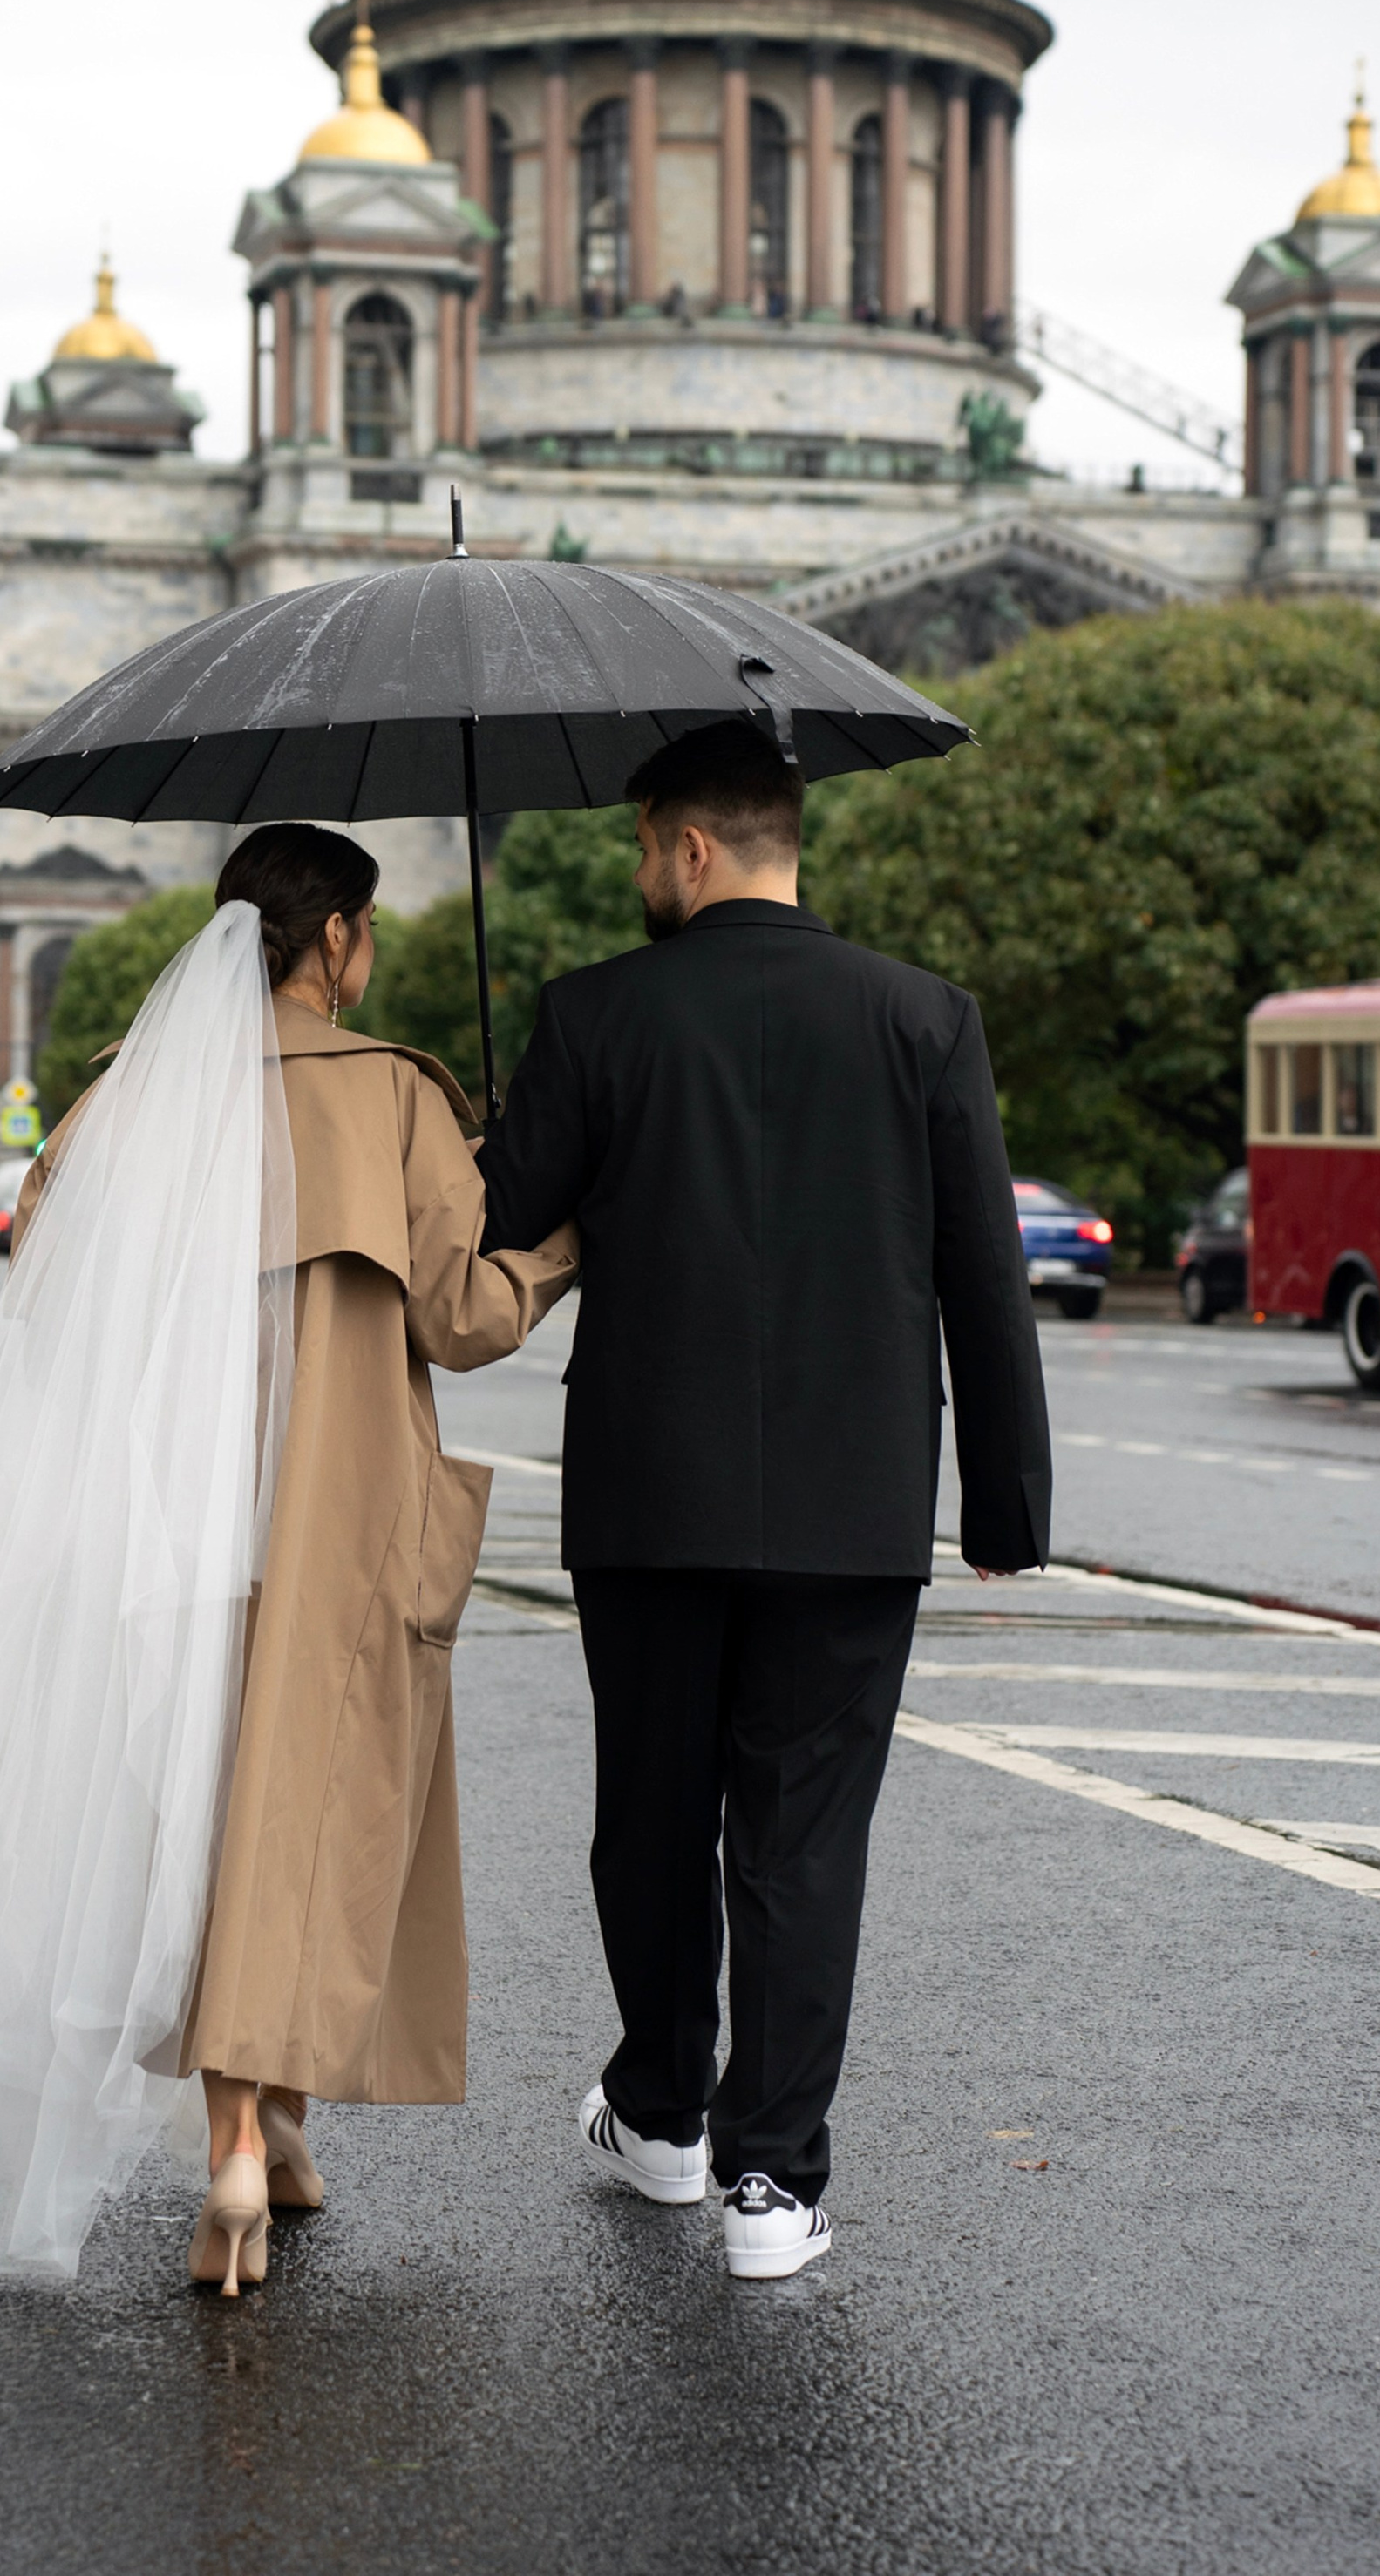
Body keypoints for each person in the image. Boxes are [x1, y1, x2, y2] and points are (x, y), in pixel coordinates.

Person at [0, 824, 576, 2294]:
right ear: (342, 941)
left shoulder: (130, 1098)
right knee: (303, 1817)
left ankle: (269, 2137)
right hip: (341, 1520)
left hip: (156, 1520)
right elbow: (465, 1321)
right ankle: (243, 2139)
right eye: (364, 939)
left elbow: (41, 1274)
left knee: (192, 1809)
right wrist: (553, 1242)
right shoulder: (394, 1094)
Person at [479, 718, 1051, 2284]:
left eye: (644, 844)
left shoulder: (593, 1014)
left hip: (647, 1497)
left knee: (649, 1820)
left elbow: (498, 1215)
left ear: (691, 845)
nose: (641, 869)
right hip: (855, 1500)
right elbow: (983, 1279)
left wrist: (504, 1102)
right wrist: (1002, 1505)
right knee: (803, 1835)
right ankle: (774, 2186)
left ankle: (660, 2115)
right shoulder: (924, 1020)